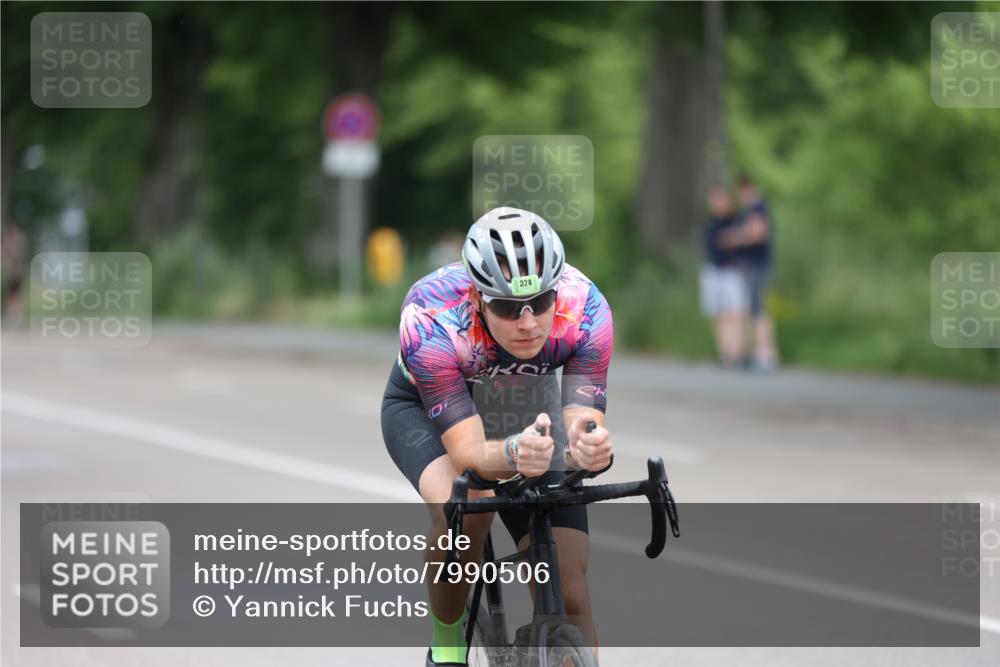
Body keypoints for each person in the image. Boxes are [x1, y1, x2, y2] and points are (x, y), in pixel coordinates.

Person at [381, 207, 614, 666]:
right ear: (479, 297)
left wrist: (590, 444)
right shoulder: (432, 316)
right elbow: (470, 456)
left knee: (568, 588)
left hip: (526, 403)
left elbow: (581, 419)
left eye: (540, 303)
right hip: (430, 411)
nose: (528, 323)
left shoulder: (585, 307)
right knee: (468, 514)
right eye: (508, 308)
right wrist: (514, 452)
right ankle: (447, 645)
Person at [734, 174, 779, 371]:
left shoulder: (758, 208)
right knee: (753, 310)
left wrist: (736, 237)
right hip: (751, 266)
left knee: (758, 310)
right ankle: (758, 353)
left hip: (757, 266)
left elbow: (758, 233)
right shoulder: (753, 210)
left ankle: (766, 354)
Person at [699, 187, 747, 367]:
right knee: (718, 314)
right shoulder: (711, 222)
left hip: (731, 271)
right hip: (713, 270)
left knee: (735, 312)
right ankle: (725, 353)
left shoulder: (736, 220)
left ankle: (738, 352)